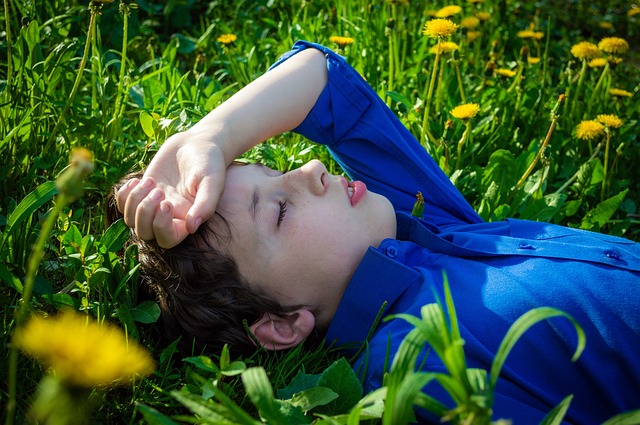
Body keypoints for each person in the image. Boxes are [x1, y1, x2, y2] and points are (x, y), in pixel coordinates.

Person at [114, 41, 640, 423]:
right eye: (277, 211)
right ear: (280, 324)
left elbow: (318, 78)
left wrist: (210, 136)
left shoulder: (426, 223)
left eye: (277, 172)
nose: (311, 171)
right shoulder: (418, 370)